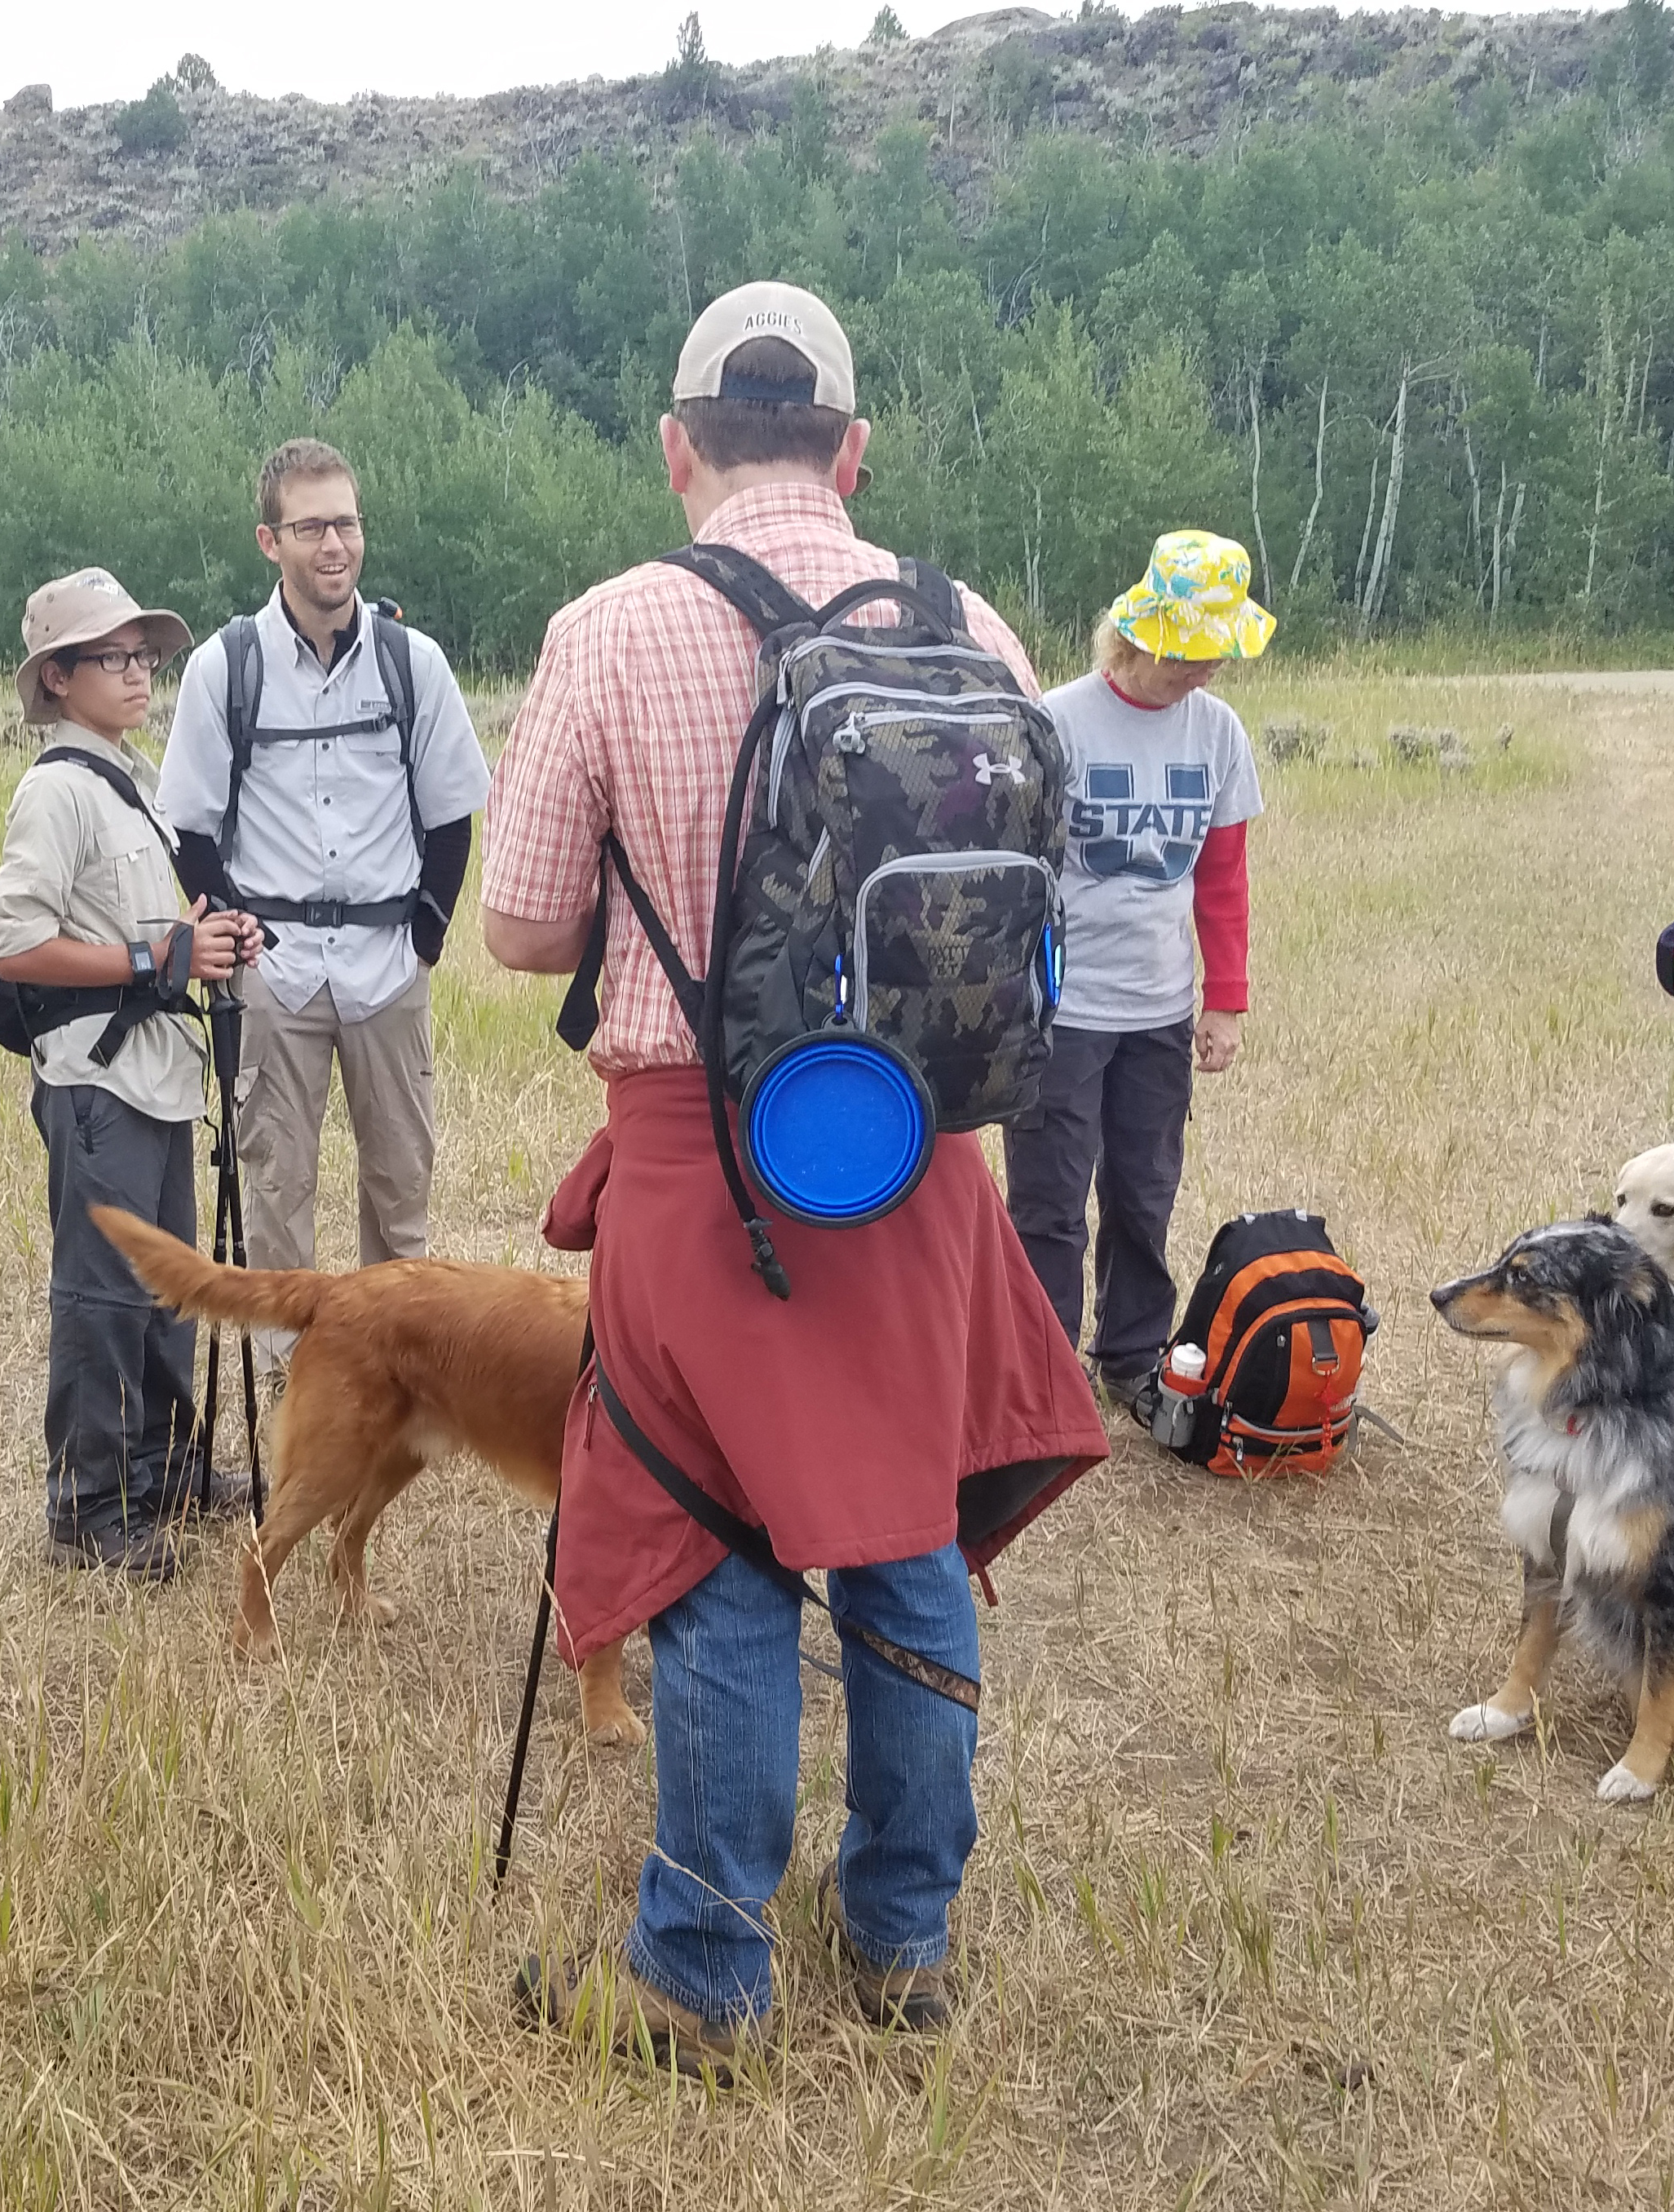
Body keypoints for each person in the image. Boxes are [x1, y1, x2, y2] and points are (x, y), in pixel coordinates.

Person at [478, 281, 1108, 2079]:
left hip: (707, 1160)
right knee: (904, 1531)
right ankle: (904, 1935)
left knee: (720, 1546)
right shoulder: (962, 616)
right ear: (853, 448)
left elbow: (524, 923)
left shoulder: (611, 627)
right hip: (918, 1156)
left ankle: (702, 1970)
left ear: (678, 446)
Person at [156, 439, 493, 1374]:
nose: (334, 545)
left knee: (401, 1189)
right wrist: (239, 935)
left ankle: (403, 1378)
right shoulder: (226, 669)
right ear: (271, 539)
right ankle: (295, 1388)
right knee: (277, 1190)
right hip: (281, 974)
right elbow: (190, 827)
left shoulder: (410, 662)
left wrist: (428, 932)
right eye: (311, 527)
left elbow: (452, 811)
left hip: (389, 968)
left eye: (346, 522)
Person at [0, 568, 259, 1578]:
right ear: (58, 677)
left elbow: (141, 931)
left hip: (150, 1073)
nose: (141, 673)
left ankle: (165, 1472)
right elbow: (14, 945)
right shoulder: (58, 790)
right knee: (102, 1296)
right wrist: (157, 961)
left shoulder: (124, 778)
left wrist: (205, 941)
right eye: (116, 657)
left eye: (145, 656)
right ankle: (90, 1508)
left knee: (163, 1286)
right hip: (97, 1082)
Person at [1005, 529, 1270, 1422]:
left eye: (1218, 653)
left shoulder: (1218, 731)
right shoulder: (1058, 720)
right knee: (1050, 1200)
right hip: (1063, 1009)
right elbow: (1015, 872)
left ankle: (1131, 1358)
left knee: (1144, 1192)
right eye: (1193, 652)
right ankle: (1040, 1374)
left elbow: (1223, 879)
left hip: (1160, 1009)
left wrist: (1224, 1002)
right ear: (1144, 635)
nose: (1207, 670)